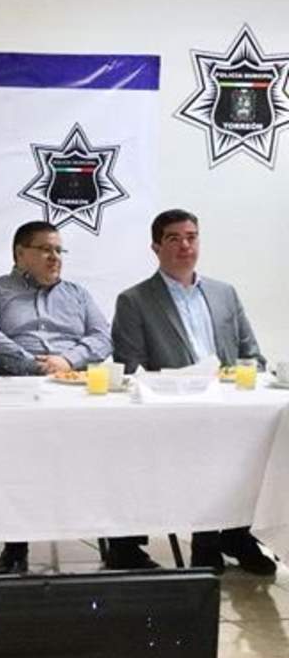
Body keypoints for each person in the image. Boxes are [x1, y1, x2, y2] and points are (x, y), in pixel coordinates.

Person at [110, 208, 276, 575]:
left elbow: (252, 354)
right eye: (174, 239)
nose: (185, 246)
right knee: (206, 446)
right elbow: (130, 366)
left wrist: (243, 373)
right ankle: (206, 540)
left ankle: (238, 533)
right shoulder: (135, 300)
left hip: (229, 401)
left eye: (191, 237)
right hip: (173, 408)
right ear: (156, 248)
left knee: (264, 439)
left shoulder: (224, 293)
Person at [0, 220, 112, 574]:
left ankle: (122, 542)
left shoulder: (77, 294)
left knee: (113, 441)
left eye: (59, 250)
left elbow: (102, 337)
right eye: (45, 249)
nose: (55, 257)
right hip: (16, 388)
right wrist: (32, 364)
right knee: (18, 457)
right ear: (20, 254)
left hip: (72, 387)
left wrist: (68, 360)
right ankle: (16, 543)